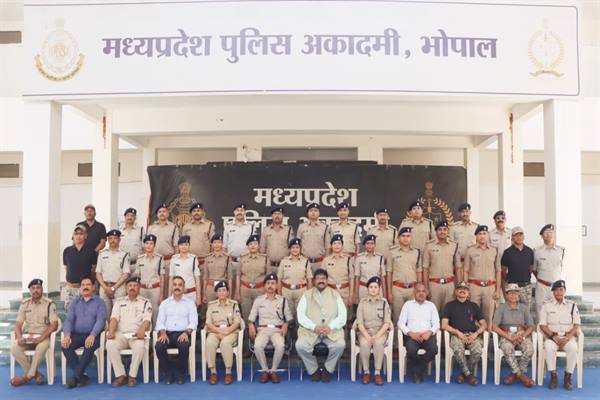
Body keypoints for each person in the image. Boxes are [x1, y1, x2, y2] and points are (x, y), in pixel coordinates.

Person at [296, 269, 346, 383]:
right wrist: (314, 327)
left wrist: (330, 327)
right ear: (314, 281)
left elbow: (343, 315)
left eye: (323, 278)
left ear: (327, 280)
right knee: (300, 346)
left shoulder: (335, 294)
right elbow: (300, 315)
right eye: (318, 278)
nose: (321, 281)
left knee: (340, 345)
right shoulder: (306, 295)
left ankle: (327, 369)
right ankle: (314, 370)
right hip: (311, 332)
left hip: (331, 332)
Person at [10, 279, 59, 386]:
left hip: (43, 337)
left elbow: (54, 324)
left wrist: (42, 337)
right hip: (28, 337)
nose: (35, 290)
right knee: (14, 348)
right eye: (33, 288)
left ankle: (27, 377)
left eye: (38, 288)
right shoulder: (25, 304)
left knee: (40, 348)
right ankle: (36, 374)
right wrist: (19, 337)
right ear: (30, 290)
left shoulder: (49, 304)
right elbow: (18, 324)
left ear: (42, 289)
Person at [106, 277, 152, 387]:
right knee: (110, 344)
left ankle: (132, 376)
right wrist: (111, 331)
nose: (132, 288)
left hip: (136, 335)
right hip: (121, 334)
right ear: (126, 288)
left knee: (140, 347)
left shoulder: (146, 302)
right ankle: (120, 375)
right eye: (130, 286)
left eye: (135, 286)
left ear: (139, 288)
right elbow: (114, 318)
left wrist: (142, 330)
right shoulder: (119, 302)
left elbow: (147, 320)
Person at [61, 276, 106, 389]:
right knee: (65, 346)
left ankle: (76, 376)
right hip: (77, 335)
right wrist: (67, 335)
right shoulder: (75, 302)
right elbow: (69, 320)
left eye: (88, 284)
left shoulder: (100, 302)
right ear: (80, 287)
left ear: (93, 287)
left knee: (89, 346)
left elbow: (100, 321)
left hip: (94, 335)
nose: (85, 287)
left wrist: (92, 335)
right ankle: (82, 375)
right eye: (83, 285)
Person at [248, 273, 293, 384]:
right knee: (257, 346)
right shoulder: (259, 300)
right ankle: (265, 370)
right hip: (262, 330)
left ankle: (273, 370)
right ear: (264, 286)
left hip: (277, 330)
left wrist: (286, 324)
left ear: (277, 285)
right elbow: (251, 317)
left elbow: (289, 317)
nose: (270, 286)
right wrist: (250, 324)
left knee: (280, 345)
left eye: (273, 283)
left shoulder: (282, 300)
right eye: (268, 283)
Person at [441, 282, 487, 385]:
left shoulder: (474, 306)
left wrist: (476, 334)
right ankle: (469, 375)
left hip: (472, 335)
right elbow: (444, 325)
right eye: (460, 288)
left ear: (468, 292)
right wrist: (457, 332)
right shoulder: (449, 305)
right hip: (457, 335)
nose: (462, 290)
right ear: (455, 291)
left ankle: (463, 373)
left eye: (465, 289)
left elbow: (484, 325)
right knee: (457, 350)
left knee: (477, 351)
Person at [155, 276, 198, 384]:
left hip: (182, 333)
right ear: (172, 287)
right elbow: (159, 322)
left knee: (183, 346)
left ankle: (181, 374)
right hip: (167, 334)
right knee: (159, 346)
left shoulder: (190, 303)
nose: (177, 287)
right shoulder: (165, 303)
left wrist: (186, 332)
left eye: (180, 285)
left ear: (183, 287)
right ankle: (168, 373)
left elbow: (194, 322)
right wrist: (163, 333)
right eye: (175, 285)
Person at [539, 280, 581, 390]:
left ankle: (568, 377)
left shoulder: (572, 305)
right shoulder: (546, 305)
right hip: (552, 337)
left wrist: (568, 337)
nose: (558, 292)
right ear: (553, 292)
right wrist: (553, 336)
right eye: (556, 290)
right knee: (549, 347)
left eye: (561, 290)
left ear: (564, 291)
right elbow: (542, 325)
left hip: (567, 337)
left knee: (573, 348)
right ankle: (553, 376)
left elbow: (576, 324)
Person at [491, 283, 535, 387]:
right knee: (507, 348)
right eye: (510, 293)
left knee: (529, 349)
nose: (513, 295)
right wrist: (508, 337)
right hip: (506, 334)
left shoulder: (524, 308)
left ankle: (515, 375)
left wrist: (523, 336)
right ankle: (521, 376)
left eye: (515, 293)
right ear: (506, 295)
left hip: (521, 334)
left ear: (518, 295)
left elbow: (531, 326)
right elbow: (494, 326)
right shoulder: (501, 308)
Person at [398, 282, 439, 384]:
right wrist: (410, 333)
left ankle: (418, 370)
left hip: (427, 336)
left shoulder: (431, 306)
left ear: (427, 293)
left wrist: (429, 332)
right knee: (411, 350)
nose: (421, 293)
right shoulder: (407, 305)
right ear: (414, 293)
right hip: (412, 336)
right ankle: (421, 369)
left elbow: (437, 323)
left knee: (434, 349)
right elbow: (400, 323)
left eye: (423, 291)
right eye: (418, 291)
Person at [353, 276, 392, 385]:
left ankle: (377, 373)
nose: (373, 289)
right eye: (371, 287)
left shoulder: (384, 302)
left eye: (376, 287)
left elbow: (387, 323)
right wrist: (367, 336)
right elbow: (359, 323)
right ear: (367, 289)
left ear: (379, 289)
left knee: (378, 343)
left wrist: (376, 336)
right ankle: (366, 372)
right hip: (365, 332)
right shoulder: (362, 302)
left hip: (380, 332)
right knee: (364, 344)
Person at [205, 281, 242, 385]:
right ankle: (213, 372)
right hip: (215, 331)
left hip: (230, 331)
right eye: (219, 291)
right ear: (216, 293)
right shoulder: (211, 305)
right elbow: (208, 323)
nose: (221, 293)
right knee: (209, 343)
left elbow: (237, 322)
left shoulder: (233, 304)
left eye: (224, 290)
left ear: (228, 292)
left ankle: (228, 373)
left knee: (225, 343)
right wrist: (219, 331)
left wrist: (227, 331)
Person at [463, 225, 501, 326]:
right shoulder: (470, 250)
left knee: (488, 315)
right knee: (472, 314)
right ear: (476, 236)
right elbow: (466, 270)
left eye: (484, 233)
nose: (482, 236)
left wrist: (497, 290)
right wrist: (466, 289)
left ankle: (487, 334)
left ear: (488, 235)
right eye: (479, 234)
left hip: (490, 287)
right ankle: (473, 334)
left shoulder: (494, 250)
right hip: (474, 286)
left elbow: (498, 271)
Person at [387, 227, 422, 328]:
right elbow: (389, 272)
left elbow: (419, 272)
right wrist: (389, 292)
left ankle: (411, 338)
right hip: (397, 289)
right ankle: (397, 338)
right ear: (398, 238)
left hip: (412, 289)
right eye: (403, 236)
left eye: (408, 236)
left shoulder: (417, 252)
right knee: (397, 318)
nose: (406, 238)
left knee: (413, 318)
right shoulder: (392, 252)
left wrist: (419, 290)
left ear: (411, 238)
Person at [423, 220, 460, 313]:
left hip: (449, 285)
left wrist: (459, 286)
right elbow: (425, 268)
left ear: (448, 231)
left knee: (449, 314)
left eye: (444, 229)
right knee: (433, 313)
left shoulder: (454, 245)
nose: (442, 232)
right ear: (436, 232)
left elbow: (458, 267)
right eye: (440, 229)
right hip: (434, 285)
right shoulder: (429, 245)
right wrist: (426, 287)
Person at [147, 203, 180, 299]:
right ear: (157, 214)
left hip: (168, 261)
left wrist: (176, 260)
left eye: (164, 211)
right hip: (154, 260)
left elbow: (176, 246)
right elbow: (147, 245)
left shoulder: (173, 227)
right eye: (160, 212)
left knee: (168, 285)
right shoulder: (151, 227)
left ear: (168, 213)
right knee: (155, 285)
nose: (162, 213)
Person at [62, 224, 97, 312]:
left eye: (81, 234)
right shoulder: (67, 251)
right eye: (76, 234)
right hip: (70, 289)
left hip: (85, 289)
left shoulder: (91, 251)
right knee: (70, 314)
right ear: (73, 236)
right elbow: (67, 268)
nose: (78, 236)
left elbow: (93, 269)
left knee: (87, 313)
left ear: (85, 236)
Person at [96, 229, 130, 319]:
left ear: (119, 240)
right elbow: (98, 273)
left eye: (115, 238)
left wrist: (113, 288)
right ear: (107, 240)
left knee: (118, 316)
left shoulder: (124, 254)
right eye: (110, 238)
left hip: (119, 288)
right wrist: (105, 288)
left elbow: (126, 274)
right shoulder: (102, 253)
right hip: (104, 288)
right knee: (104, 315)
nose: (112, 240)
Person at [534, 224, 565, 318]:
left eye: (551, 232)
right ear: (542, 236)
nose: (549, 234)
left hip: (556, 287)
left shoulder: (561, 250)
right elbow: (534, 269)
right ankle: (540, 327)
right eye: (546, 232)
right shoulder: (536, 251)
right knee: (540, 311)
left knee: (556, 312)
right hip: (542, 286)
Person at [277, 238, 312, 322]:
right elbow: (279, 279)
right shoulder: (284, 261)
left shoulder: (306, 262)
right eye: (293, 247)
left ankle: (299, 330)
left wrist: (309, 295)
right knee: (287, 316)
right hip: (286, 291)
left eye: (297, 247)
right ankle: (289, 330)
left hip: (301, 291)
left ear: (300, 249)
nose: (295, 249)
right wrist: (279, 295)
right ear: (289, 249)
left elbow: (309, 280)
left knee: (301, 316)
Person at [223, 203, 256, 289]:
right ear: (234, 212)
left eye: (242, 210)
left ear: (245, 212)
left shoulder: (251, 226)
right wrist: (227, 261)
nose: (239, 212)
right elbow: (224, 247)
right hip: (232, 262)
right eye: (237, 210)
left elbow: (254, 245)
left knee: (245, 287)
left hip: (246, 261)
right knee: (231, 287)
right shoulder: (228, 226)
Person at [322, 234, 354, 323]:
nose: (337, 246)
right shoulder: (326, 260)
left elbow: (351, 278)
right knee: (331, 317)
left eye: (339, 243)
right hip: (330, 292)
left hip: (345, 292)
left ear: (342, 245)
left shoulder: (348, 259)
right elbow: (322, 279)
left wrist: (351, 295)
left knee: (345, 317)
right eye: (334, 243)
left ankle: (345, 332)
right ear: (331, 246)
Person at [133, 234, 163, 325]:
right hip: (143, 289)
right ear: (144, 245)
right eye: (147, 243)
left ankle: (156, 330)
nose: (149, 246)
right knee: (143, 310)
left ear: (154, 245)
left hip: (155, 289)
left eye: (151, 243)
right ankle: (145, 331)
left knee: (155, 311)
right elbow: (137, 276)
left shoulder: (159, 258)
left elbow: (162, 277)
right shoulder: (140, 259)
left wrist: (161, 295)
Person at [501, 226, 534, 307]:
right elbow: (503, 270)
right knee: (512, 310)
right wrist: (509, 280)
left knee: (526, 310)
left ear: (524, 237)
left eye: (520, 234)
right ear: (512, 238)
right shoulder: (507, 252)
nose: (518, 237)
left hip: (526, 286)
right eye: (516, 235)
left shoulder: (529, 251)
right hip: (512, 287)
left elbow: (531, 268)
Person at [297, 202, 330, 273]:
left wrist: (325, 262)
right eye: (311, 210)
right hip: (305, 262)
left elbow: (328, 247)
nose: (313, 212)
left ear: (319, 213)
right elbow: (298, 246)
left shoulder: (325, 227)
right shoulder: (301, 227)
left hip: (320, 262)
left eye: (315, 210)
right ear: (308, 213)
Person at [260, 207, 294, 274]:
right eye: (275, 214)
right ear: (272, 216)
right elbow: (262, 249)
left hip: (284, 266)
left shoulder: (288, 230)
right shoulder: (266, 230)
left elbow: (292, 248)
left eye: (279, 214)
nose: (277, 216)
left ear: (283, 216)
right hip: (269, 266)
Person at [169, 235, 201, 306]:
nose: (183, 247)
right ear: (178, 246)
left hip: (191, 294)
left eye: (186, 244)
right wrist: (169, 296)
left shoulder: (194, 259)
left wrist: (198, 297)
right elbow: (171, 278)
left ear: (189, 246)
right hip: (177, 294)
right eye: (181, 245)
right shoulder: (174, 259)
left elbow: (197, 279)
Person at [354, 235, 386, 302]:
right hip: (363, 289)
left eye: (372, 243)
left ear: (375, 245)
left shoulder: (380, 257)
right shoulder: (359, 258)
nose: (370, 246)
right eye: (367, 243)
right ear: (364, 245)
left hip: (377, 290)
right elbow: (357, 277)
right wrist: (356, 295)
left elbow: (382, 277)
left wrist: (385, 295)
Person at [488, 210, 511, 302]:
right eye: (497, 218)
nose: (500, 220)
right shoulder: (490, 234)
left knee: (508, 294)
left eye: (502, 218)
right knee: (495, 295)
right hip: (494, 268)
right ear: (494, 220)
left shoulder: (510, 233)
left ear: (505, 220)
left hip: (508, 268)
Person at [202, 234, 232, 303]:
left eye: (219, 242)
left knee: (223, 307)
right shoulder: (207, 257)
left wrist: (229, 293)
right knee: (210, 307)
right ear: (211, 244)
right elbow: (205, 277)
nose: (217, 245)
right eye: (214, 242)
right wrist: (204, 294)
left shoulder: (227, 257)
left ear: (222, 244)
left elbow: (229, 278)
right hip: (210, 287)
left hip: (222, 288)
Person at [120, 208, 145, 273]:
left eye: (132, 216)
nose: (130, 217)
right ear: (125, 217)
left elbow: (145, 247)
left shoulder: (141, 230)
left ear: (135, 218)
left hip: (136, 264)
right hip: (122, 264)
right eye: (128, 215)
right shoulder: (120, 231)